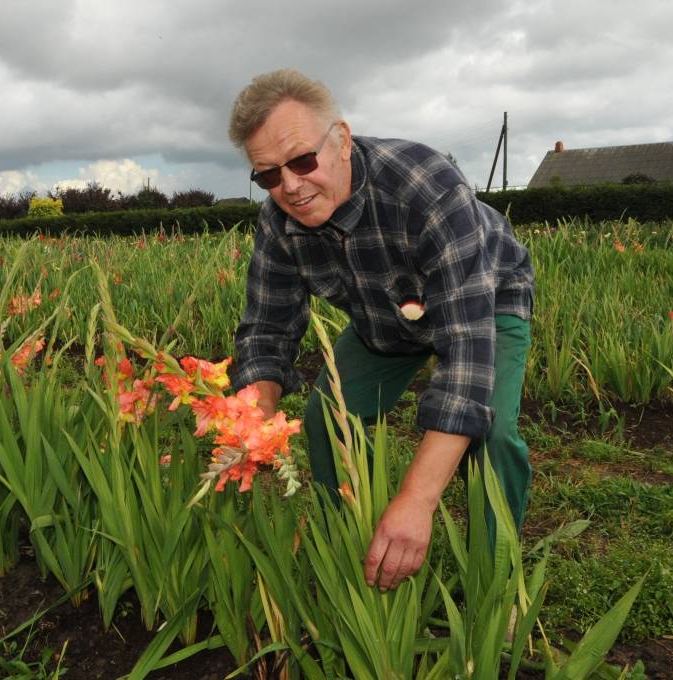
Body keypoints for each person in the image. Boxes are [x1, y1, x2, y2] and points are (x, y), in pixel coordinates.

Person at [227, 68, 534, 593]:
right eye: (269, 175)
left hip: (484, 298)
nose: (290, 187)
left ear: (342, 140)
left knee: (493, 432)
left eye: (302, 160)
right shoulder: (279, 223)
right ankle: (354, 547)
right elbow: (266, 330)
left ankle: (496, 582)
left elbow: (465, 355)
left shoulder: (426, 185)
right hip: (385, 315)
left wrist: (417, 500)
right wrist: (258, 421)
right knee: (328, 418)